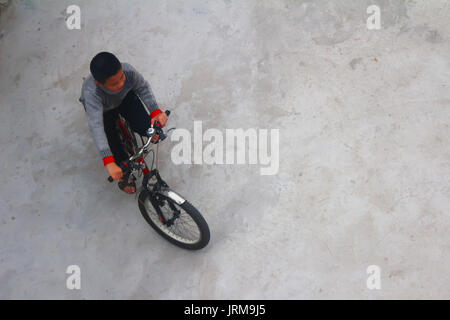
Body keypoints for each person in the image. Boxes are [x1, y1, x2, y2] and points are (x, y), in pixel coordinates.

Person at [79, 52, 168, 194]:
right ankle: (125, 175)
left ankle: (145, 129)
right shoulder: (92, 93)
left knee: (146, 125)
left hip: (125, 98)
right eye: (114, 83)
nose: (121, 83)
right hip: (104, 110)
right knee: (112, 141)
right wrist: (109, 161)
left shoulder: (128, 71)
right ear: (99, 83)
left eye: (122, 77)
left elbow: (143, 88)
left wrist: (155, 111)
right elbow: (96, 127)